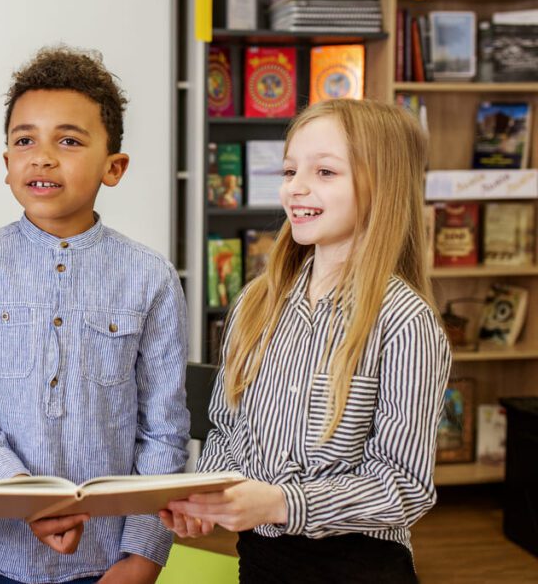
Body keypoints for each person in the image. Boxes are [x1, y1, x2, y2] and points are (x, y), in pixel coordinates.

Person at [0, 46, 190, 584]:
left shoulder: (152, 277)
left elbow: (164, 430)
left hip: (109, 555)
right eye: (25, 140)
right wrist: (22, 495)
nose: (42, 157)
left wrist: (144, 554)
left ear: (114, 167)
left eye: (68, 141)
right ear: (6, 163)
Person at [159, 98, 452, 583]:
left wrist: (280, 502)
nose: (295, 187)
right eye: (290, 170)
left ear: (382, 185)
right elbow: (228, 430)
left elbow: (404, 485)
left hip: (359, 568)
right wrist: (208, 493)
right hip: (260, 562)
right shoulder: (257, 302)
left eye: (325, 172)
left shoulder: (404, 321)